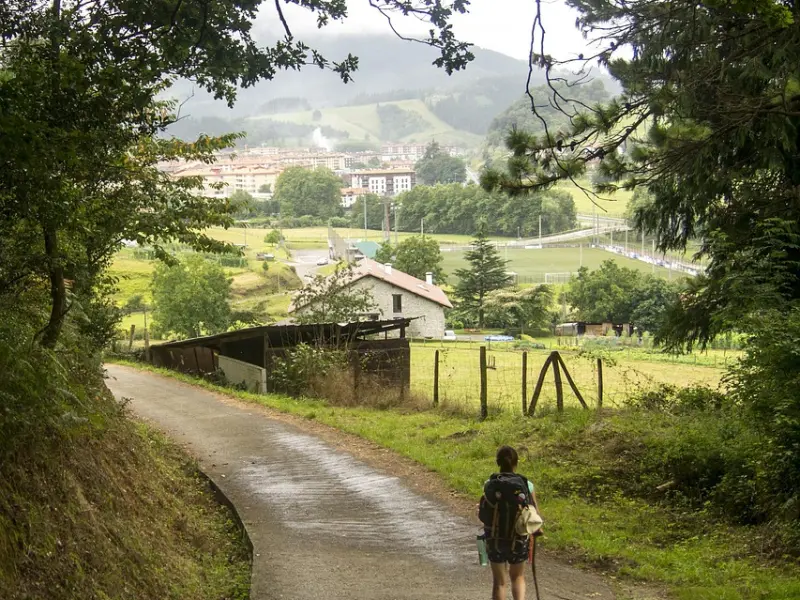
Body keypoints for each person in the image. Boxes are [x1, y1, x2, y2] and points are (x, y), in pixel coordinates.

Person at [478, 445, 540, 600]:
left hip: (495, 538)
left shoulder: (489, 484)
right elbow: (534, 513)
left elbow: (483, 513)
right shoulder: (526, 484)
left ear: (498, 462)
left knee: (499, 582)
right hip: (518, 538)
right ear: (516, 462)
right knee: (517, 577)